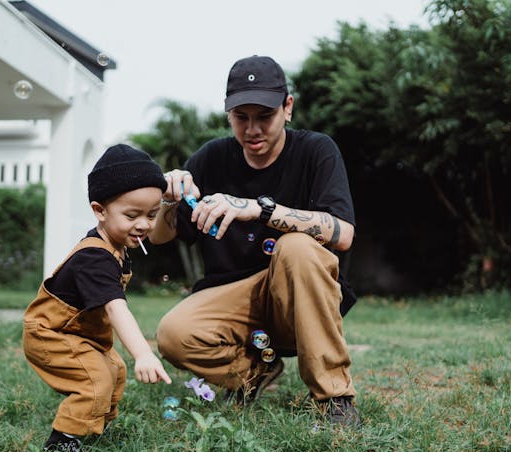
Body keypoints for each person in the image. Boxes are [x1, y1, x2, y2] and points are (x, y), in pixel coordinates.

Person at [150, 55, 360, 427]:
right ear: (228, 114)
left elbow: (343, 233)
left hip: (298, 294)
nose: (252, 129)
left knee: (294, 246)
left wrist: (258, 209)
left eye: (264, 116)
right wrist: (167, 200)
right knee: (172, 333)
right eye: (241, 117)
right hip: (233, 298)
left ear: (288, 108)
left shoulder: (316, 151)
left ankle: (335, 400)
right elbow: (162, 236)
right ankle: (253, 373)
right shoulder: (212, 157)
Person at [23, 144, 172, 452]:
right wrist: (143, 354)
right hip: (51, 334)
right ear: (100, 210)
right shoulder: (94, 257)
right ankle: (60, 445)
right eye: (132, 215)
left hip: (78, 335)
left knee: (114, 370)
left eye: (152, 215)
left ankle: (92, 426)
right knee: (96, 379)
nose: (144, 224)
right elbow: (116, 307)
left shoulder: (118, 245)